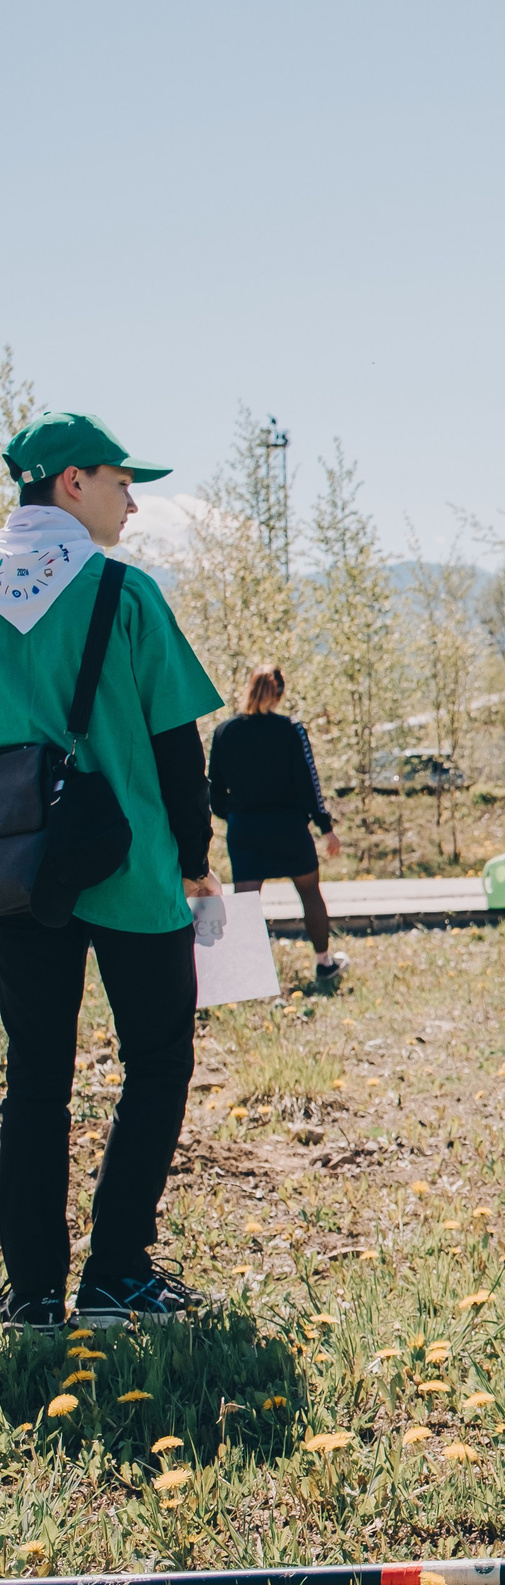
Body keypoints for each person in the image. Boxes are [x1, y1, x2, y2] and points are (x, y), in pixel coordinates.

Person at [0, 413, 223, 1331]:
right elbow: (177, 748)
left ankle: (33, 1291)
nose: (133, 497)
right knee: (158, 1060)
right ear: (70, 484)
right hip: (130, 870)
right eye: (120, 479)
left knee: (36, 1078)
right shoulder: (124, 593)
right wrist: (200, 864)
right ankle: (117, 1271)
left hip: (16, 876)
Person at [208, 664, 345, 983]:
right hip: (288, 827)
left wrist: (232, 816)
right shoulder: (290, 729)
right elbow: (308, 783)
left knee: (245, 901)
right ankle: (324, 964)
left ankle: (245, 977)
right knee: (310, 893)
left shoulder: (225, 731)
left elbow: (214, 786)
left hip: (245, 829)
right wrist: (326, 828)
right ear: (280, 694)